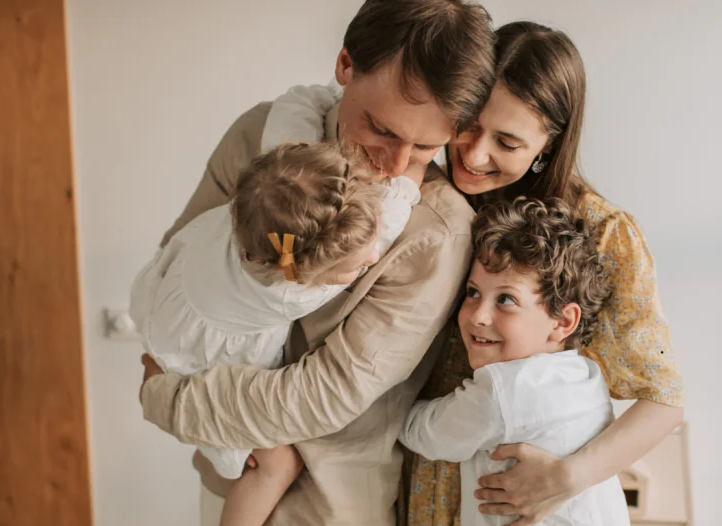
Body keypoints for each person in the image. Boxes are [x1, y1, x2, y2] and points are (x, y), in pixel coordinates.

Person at [136, 1, 497, 524]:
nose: (395, 165)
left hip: (328, 507)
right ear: (346, 64)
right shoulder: (257, 136)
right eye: (382, 129)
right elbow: (181, 261)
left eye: (425, 147)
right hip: (224, 476)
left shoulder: (437, 233)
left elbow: (326, 394)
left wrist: (166, 398)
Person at [404, 21, 684, 525]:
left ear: (548, 145)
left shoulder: (603, 235)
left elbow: (663, 402)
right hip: (418, 481)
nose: (474, 153)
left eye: (507, 142)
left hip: (515, 499)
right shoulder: (428, 195)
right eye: (469, 123)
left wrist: (567, 478)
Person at [130, 140, 426, 526]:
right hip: (191, 359)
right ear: (305, 272)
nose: (372, 258)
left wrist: (310, 106)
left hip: (166, 313)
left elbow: (290, 122)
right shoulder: (288, 291)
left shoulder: (255, 205)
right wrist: (412, 174)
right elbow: (387, 230)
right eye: (355, 268)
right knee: (277, 462)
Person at [399, 196, 630, 526]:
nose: (478, 315)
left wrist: (393, 398)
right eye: (473, 292)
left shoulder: (505, 389)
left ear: (563, 322)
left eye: (505, 299)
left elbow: (426, 434)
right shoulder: (585, 375)